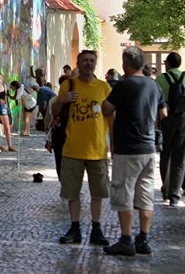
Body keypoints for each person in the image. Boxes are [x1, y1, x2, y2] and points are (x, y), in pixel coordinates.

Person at [101, 46, 167, 256]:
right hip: (148, 148)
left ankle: (126, 240)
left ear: (126, 65)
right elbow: (164, 113)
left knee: (124, 194)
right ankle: (144, 239)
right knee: (146, 195)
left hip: (127, 148)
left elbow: (106, 109)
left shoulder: (124, 85)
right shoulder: (154, 85)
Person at [52, 50, 111, 246]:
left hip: (97, 149)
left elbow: (111, 116)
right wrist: (63, 99)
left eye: (92, 60)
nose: (88, 63)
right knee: (71, 192)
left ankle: (96, 228)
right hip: (72, 148)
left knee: (98, 193)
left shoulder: (104, 88)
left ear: (96, 63)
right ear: (78, 63)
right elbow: (54, 113)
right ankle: (74, 227)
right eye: (84, 60)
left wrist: (115, 143)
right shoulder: (67, 85)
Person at [156, 52, 185, 207]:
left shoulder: (161, 78)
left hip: (166, 117)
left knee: (165, 154)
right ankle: (175, 194)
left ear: (167, 63)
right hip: (183, 118)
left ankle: (166, 190)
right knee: (180, 157)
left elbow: (157, 99)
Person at [44, 74, 71, 180]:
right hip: (62, 134)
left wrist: (48, 136)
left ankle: (64, 183)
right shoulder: (57, 100)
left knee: (59, 161)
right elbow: (49, 119)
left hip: (58, 134)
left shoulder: (53, 100)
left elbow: (48, 120)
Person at [0, 72, 15, 152]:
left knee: (7, 127)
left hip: (4, 107)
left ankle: (10, 145)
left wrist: (8, 108)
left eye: (1, 78)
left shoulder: (4, 86)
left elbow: (6, 98)